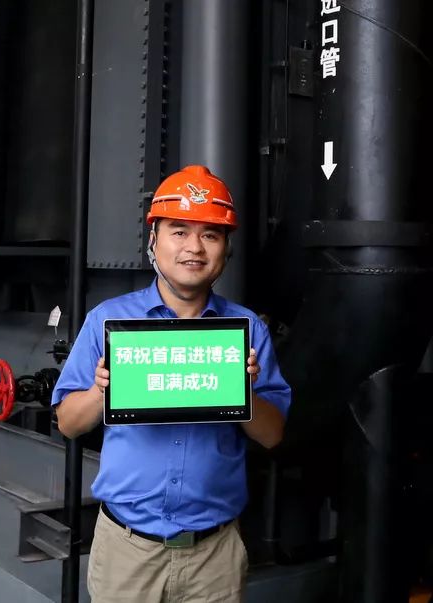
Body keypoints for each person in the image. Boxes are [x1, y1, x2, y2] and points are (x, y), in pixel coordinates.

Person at [52, 165, 291, 603]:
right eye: (179, 232)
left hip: (214, 556)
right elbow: (68, 423)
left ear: (226, 249)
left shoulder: (247, 330)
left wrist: (244, 391)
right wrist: (101, 390)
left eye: (210, 235)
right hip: (127, 550)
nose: (194, 248)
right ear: (153, 240)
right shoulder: (107, 321)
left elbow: (273, 434)